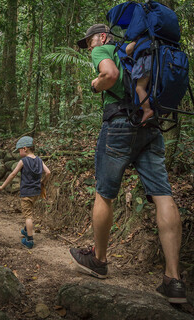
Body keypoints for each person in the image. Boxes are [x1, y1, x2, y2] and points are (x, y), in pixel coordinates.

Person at [69, 23, 187, 304]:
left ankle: (98, 260)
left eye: (89, 41)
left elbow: (109, 75)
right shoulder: (138, 51)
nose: (89, 47)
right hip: (151, 125)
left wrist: (96, 83)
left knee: (104, 193)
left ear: (102, 37)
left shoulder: (104, 49)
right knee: (163, 196)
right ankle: (174, 280)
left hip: (120, 125)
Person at [0, 136, 50, 249]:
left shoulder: (23, 161)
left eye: (19, 150)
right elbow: (48, 172)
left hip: (26, 192)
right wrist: (42, 182)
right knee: (30, 210)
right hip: (36, 192)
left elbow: (12, 174)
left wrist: (2, 186)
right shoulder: (39, 160)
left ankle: (29, 240)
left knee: (28, 216)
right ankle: (25, 230)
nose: (18, 152)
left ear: (25, 148)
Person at [125, 40, 154, 124]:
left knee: (139, 88)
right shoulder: (158, 37)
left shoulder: (142, 39)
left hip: (146, 62)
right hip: (155, 63)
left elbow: (128, 50)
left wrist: (133, 43)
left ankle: (147, 110)